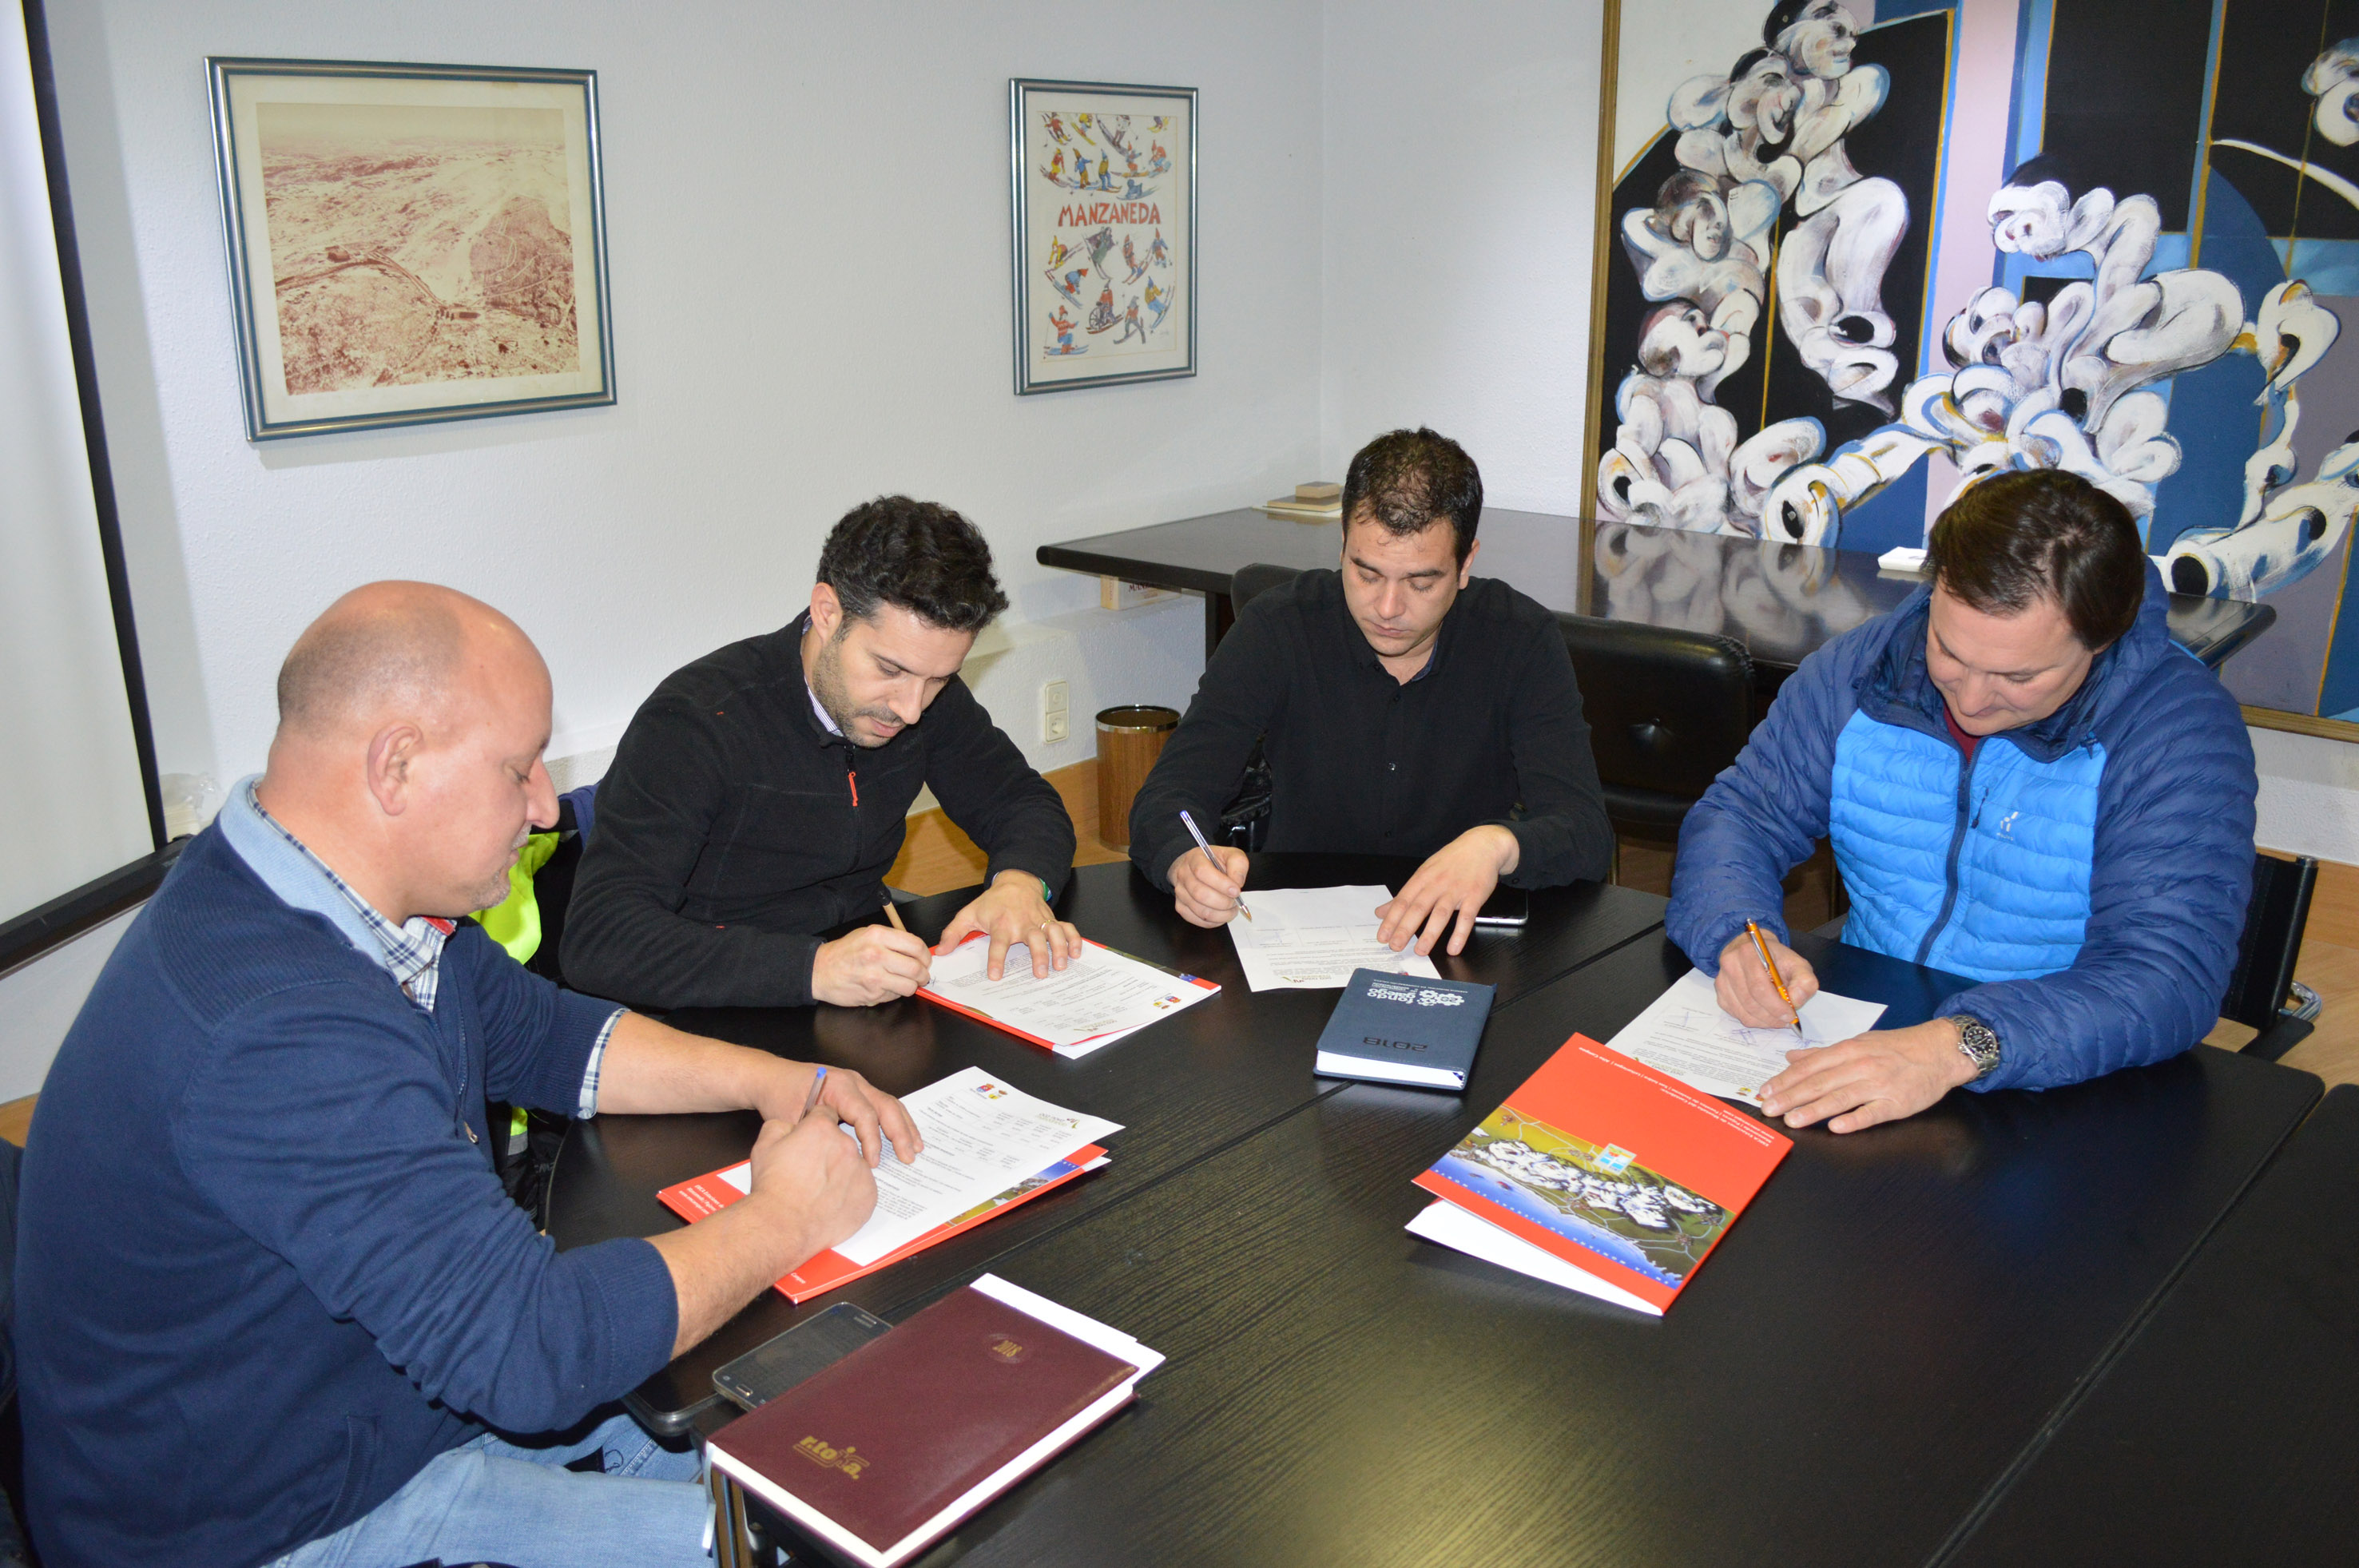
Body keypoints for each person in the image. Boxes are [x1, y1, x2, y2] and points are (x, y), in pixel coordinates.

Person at [15, 583, 923, 1568]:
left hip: (375, 1407)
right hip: (271, 1521)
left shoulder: (345, 896)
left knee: (810, 1456)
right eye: (518, 768)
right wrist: (787, 1216)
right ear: (396, 764)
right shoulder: (277, 1028)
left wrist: (780, 1081)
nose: (545, 807)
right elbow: (529, 1351)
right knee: (803, 1540)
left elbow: (544, 1033)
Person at [1668, 469, 2258, 1133]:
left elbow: (2165, 976)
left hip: (2062, 1066)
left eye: (2018, 676)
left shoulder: (2176, 733)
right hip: (1868, 1019)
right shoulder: (1862, 669)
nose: (1971, 700)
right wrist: (1737, 933)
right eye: (1947, 650)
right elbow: (1743, 815)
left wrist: (1960, 1044)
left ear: (2102, 639)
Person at [563, 496, 1078, 1010]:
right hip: (713, 997)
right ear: (827, 613)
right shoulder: (697, 721)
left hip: (860, 972)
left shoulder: (920, 695)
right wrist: (812, 969)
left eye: (939, 679)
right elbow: (601, 938)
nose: (911, 708)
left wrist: (1020, 883)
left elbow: (1020, 801)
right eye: (889, 669)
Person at [1129, 427, 1616, 955]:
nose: (1387, 609)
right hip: (1298, 939)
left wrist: (1498, 845)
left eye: (1421, 583)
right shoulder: (1278, 626)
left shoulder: (1519, 639)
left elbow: (1586, 833)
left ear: (1465, 564)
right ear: (1342, 544)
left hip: (1457, 941)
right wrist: (1184, 862)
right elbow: (1169, 795)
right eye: (1366, 574)